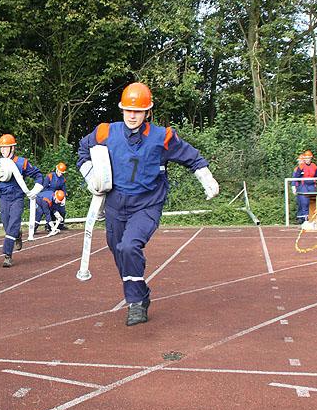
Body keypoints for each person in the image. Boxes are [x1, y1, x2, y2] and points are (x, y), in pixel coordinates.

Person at [76, 82, 219, 327]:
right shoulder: (105, 132)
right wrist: (91, 176)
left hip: (147, 204)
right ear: (122, 109)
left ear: (147, 112)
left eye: (138, 111)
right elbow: (82, 151)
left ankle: (135, 303)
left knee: (129, 246)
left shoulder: (162, 137)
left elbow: (190, 156)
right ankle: (140, 293)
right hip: (115, 204)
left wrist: (206, 177)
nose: (132, 116)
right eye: (128, 110)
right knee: (119, 250)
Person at [0, 134, 44, 268]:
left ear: (12, 148)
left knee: (13, 223)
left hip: (17, 197)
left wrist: (35, 189)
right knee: (7, 225)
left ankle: (7, 255)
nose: (2, 150)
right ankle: (17, 234)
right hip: (3, 198)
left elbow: (38, 175)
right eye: (1, 148)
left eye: (5, 147)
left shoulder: (21, 162)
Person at [291, 150, 317, 223]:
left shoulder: (314, 166)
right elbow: (296, 177)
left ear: (311, 158)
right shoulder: (301, 167)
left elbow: (316, 176)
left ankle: (312, 217)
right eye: (306, 158)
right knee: (303, 202)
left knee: (312, 201)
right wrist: (294, 186)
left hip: (312, 185)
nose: (307, 160)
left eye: (308, 158)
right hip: (303, 185)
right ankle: (304, 218)